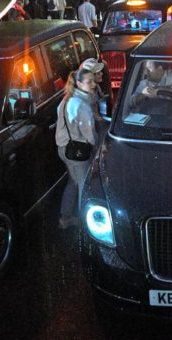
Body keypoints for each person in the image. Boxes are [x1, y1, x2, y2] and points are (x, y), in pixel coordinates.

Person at [55, 69, 101, 229]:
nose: (93, 84)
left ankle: (65, 218)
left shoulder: (66, 99)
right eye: (89, 82)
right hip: (77, 152)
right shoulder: (82, 105)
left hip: (63, 148)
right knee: (84, 184)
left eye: (93, 81)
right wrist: (99, 148)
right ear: (80, 84)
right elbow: (90, 136)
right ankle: (86, 225)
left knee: (73, 181)